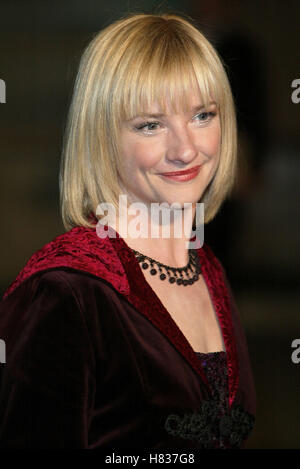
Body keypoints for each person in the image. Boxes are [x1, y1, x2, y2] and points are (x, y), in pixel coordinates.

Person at [0, 12, 256, 449]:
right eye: (150, 125)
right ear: (102, 137)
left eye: (202, 115)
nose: (186, 149)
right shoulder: (66, 292)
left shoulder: (208, 271)